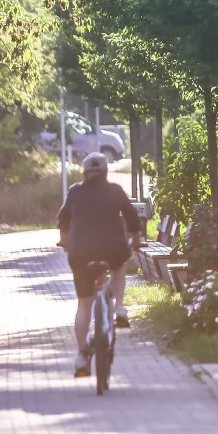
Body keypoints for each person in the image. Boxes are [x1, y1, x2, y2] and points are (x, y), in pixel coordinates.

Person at [57, 151, 142, 378]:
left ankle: (82, 355)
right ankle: (120, 307)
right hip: (113, 249)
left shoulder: (75, 192)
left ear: (85, 173)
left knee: (84, 304)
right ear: (106, 172)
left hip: (81, 254)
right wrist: (136, 239)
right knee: (119, 265)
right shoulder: (115, 190)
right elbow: (132, 216)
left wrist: (64, 240)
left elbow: (63, 218)